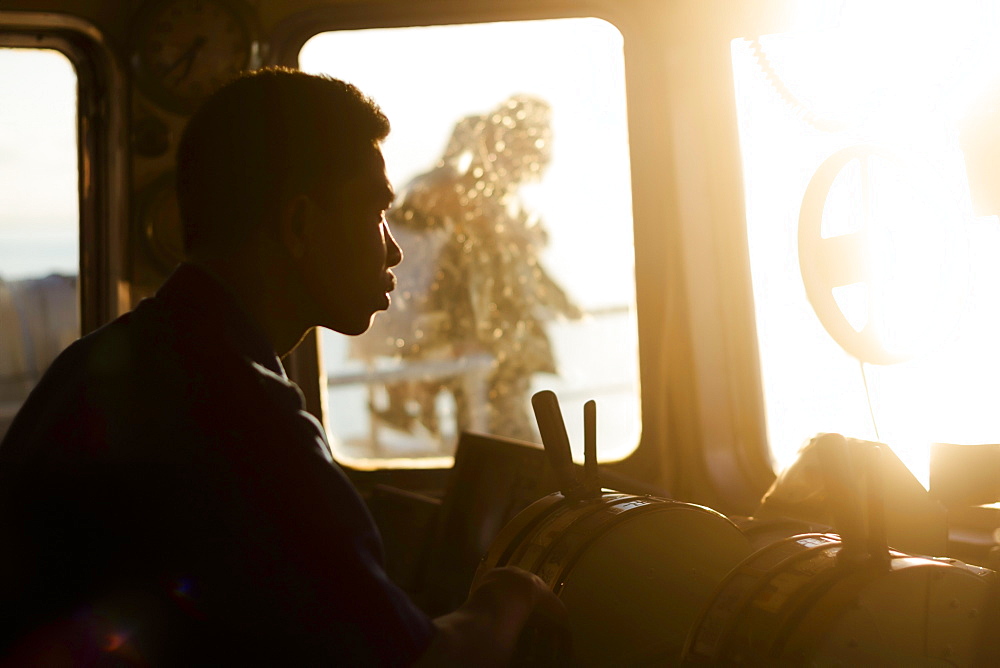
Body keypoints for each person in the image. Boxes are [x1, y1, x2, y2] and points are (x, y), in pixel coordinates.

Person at [0, 67, 563, 666]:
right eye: (375, 214)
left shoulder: (97, 364)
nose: (393, 248)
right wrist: (512, 594)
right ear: (298, 225)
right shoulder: (247, 421)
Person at [355, 95, 582, 446]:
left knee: (498, 432)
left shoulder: (487, 202)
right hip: (481, 347)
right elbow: (458, 268)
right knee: (502, 436)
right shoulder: (463, 197)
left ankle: (413, 401)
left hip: (490, 348)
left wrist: (562, 300)